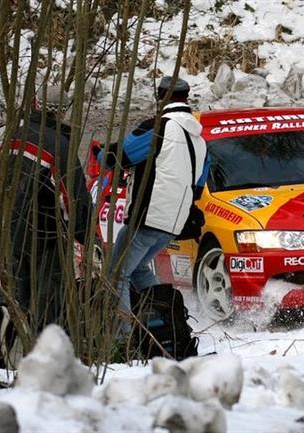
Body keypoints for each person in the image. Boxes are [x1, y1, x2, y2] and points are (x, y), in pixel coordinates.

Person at [100, 76, 206, 358]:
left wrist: (101, 154)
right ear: (186, 98)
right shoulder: (199, 138)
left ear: (160, 97)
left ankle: (122, 343)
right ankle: (167, 325)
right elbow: (199, 182)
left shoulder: (158, 128)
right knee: (137, 270)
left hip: (149, 216)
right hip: (175, 222)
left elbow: (120, 155)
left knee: (115, 274)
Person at [7, 86, 93, 333]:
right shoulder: (59, 146)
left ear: (36, 105)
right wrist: (84, 235)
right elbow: (73, 199)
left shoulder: (17, 134)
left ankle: (18, 345)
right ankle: (45, 350)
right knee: (48, 300)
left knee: (21, 292)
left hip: (13, 227)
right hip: (46, 233)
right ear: (62, 112)